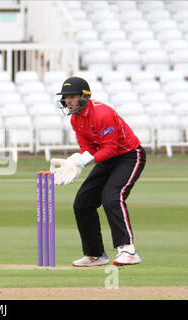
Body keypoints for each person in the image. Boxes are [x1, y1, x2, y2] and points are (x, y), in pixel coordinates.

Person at [50, 77, 146, 267]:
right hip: (106, 159)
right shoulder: (76, 119)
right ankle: (95, 255)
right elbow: (87, 146)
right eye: (65, 98)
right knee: (82, 202)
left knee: (112, 197)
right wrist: (76, 162)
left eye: (72, 97)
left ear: (84, 97)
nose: (68, 101)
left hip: (129, 156)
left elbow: (110, 148)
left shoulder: (102, 114)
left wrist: (84, 161)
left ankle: (128, 249)